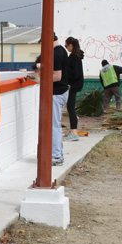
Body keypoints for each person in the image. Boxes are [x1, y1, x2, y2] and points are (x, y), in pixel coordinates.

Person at [51, 33, 69, 166]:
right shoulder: (62, 50)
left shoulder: (56, 53)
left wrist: (41, 79)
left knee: (53, 126)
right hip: (62, 92)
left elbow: (57, 76)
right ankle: (58, 154)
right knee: (55, 124)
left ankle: (56, 156)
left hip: (57, 93)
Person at [63, 37, 84, 142]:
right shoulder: (75, 55)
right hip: (74, 85)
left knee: (71, 108)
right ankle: (72, 130)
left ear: (71, 45)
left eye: (66, 45)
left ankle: (74, 132)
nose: (66, 48)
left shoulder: (74, 57)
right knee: (70, 107)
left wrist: (67, 77)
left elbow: (75, 73)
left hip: (73, 85)